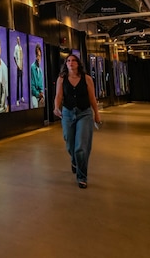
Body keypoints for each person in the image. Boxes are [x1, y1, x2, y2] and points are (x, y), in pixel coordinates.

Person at [53, 55, 101, 189]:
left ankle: (82, 177)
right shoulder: (61, 79)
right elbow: (58, 96)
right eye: (68, 61)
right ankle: (74, 161)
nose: (71, 63)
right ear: (66, 64)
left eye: (73, 60)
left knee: (81, 146)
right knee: (69, 143)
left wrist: (96, 113)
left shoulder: (87, 79)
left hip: (84, 114)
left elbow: (92, 97)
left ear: (78, 64)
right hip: (67, 113)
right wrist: (56, 107)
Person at [30, 43, 44, 108]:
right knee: (35, 105)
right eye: (37, 55)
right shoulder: (32, 67)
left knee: (43, 102)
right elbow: (32, 85)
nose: (38, 58)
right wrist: (38, 94)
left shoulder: (40, 70)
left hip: (39, 94)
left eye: (40, 56)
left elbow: (41, 86)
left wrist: (41, 94)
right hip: (34, 94)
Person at [13, 36, 24, 105]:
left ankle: (22, 96)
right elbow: (14, 57)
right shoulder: (16, 47)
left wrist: (22, 66)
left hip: (21, 67)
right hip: (18, 67)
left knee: (21, 83)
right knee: (18, 83)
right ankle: (17, 99)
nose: (18, 40)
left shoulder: (21, 47)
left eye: (19, 39)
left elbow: (22, 58)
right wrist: (17, 65)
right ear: (16, 40)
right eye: (17, 39)